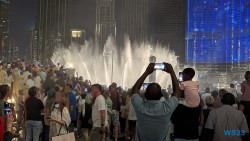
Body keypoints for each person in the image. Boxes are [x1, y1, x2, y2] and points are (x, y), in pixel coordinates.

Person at [131, 63, 180, 141]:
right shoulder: (166, 108)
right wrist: (172, 72)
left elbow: (135, 90)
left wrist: (146, 72)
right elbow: (177, 92)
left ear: (145, 95)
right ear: (161, 96)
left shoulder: (140, 107)